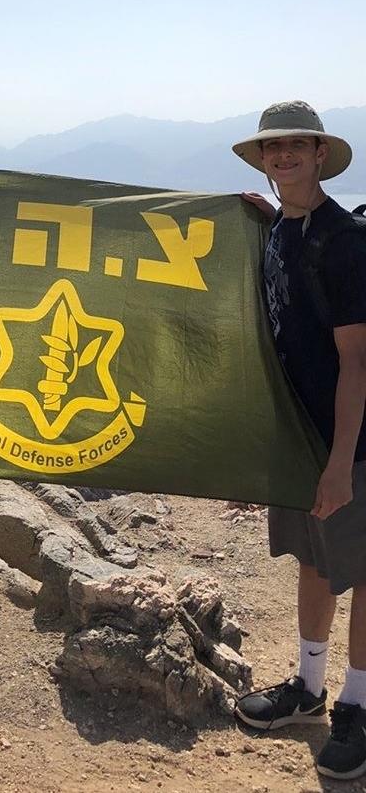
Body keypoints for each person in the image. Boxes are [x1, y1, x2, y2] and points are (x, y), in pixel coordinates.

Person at [232, 101, 366, 781]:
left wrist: (342, 461)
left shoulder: (342, 240)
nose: (283, 156)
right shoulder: (279, 231)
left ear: (320, 154)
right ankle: (310, 688)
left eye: (295, 147)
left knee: (364, 571)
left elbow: (357, 361)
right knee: (315, 562)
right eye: (272, 147)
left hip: (352, 442)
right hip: (300, 440)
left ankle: (359, 707)